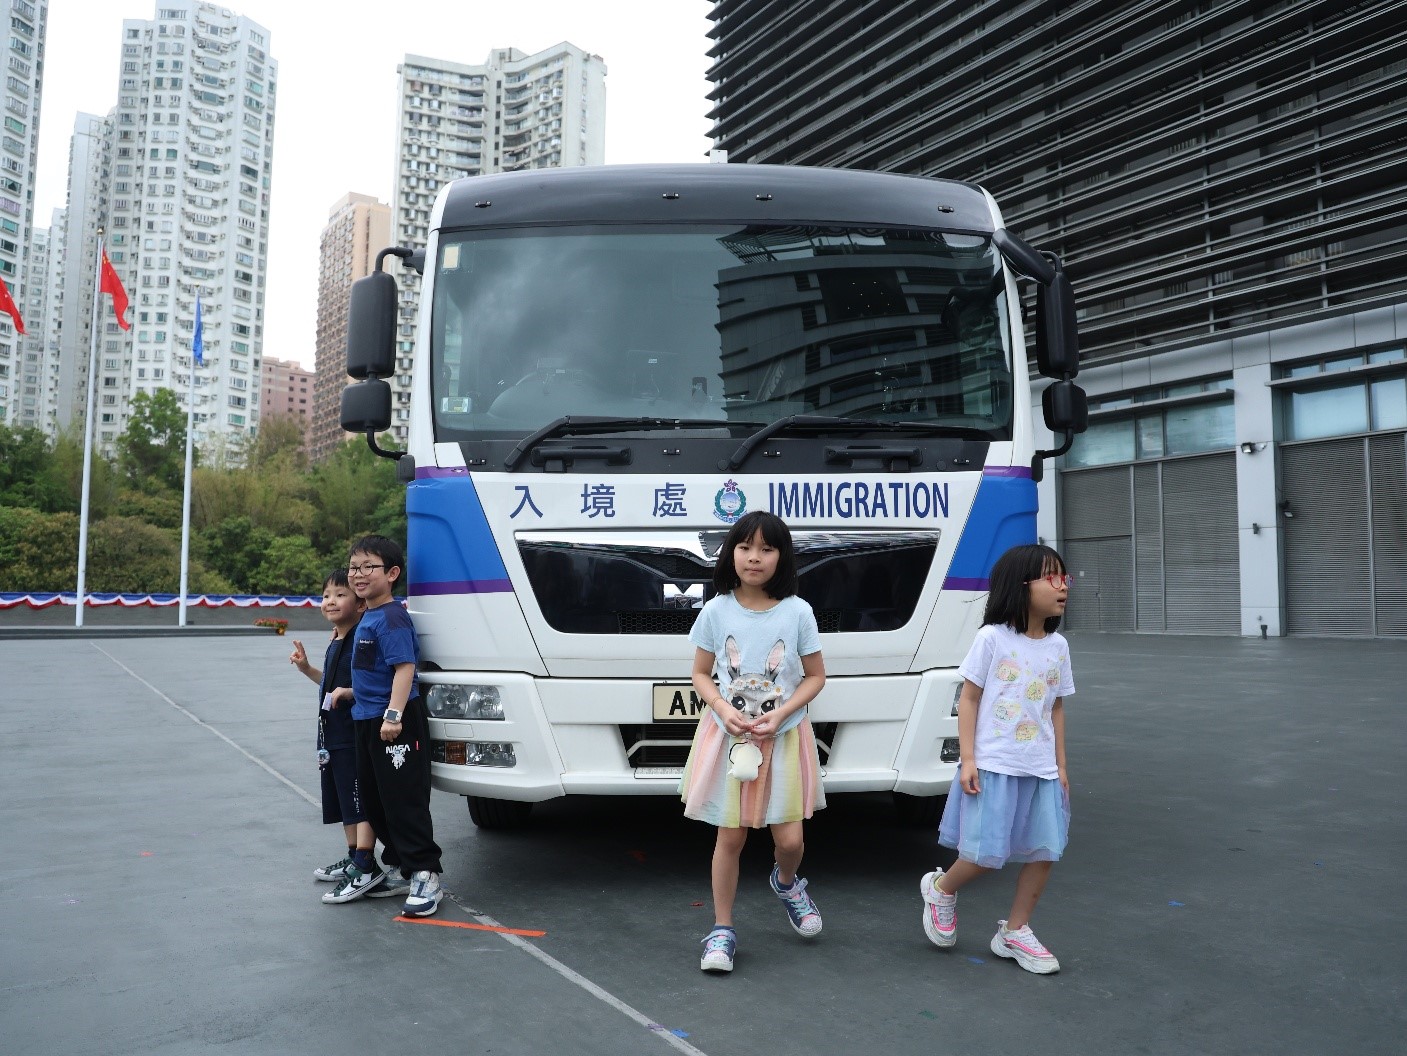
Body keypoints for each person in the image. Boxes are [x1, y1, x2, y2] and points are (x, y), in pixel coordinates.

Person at [680, 511, 827, 973]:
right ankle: (721, 930)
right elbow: (701, 674)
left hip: (782, 739)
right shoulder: (716, 609)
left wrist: (781, 713)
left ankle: (787, 883)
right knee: (731, 836)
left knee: (790, 839)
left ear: (781, 557)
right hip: (730, 740)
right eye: (745, 548)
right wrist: (724, 710)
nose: (754, 557)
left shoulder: (798, 611)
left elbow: (816, 677)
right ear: (731, 554)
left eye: (766, 549)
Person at [919, 543, 1074, 974]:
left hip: (1041, 768)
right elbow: (968, 699)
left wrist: (1061, 766)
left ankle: (1016, 930)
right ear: (1020, 586)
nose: (1062, 586)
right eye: (1051, 577)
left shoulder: (1058, 646)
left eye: (1065, 578)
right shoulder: (992, 639)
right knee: (986, 854)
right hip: (994, 765)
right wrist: (968, 758)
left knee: (1045, 851)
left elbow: (1056, 706)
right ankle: (941, 889)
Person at [337, 535, 445, 916]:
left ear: (392, 573)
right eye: (354, 568)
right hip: (367, 720)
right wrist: (351, 693)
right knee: (375, 799)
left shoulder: (393, 616)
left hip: (393, 723)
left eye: (369, 567)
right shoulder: (369, 615)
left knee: (403, 800)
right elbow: (377, 670)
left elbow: (405, 669)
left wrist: (394, 715)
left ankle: (426, 873)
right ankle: (403, 866)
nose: (359, 575)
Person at [288, 569, 385, 893]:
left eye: (340, 594)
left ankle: (365, 861)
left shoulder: (361, 638)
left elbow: (371, 684)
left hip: (353, 734)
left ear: (360, 605)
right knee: (343, 799)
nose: (330, 600)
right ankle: (352, 855)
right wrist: (307, 669)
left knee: (359, 799)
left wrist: (351, 693)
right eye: (327, 594)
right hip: (331, 737)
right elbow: (330, 686)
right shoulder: (337, 640)